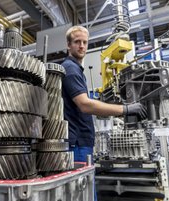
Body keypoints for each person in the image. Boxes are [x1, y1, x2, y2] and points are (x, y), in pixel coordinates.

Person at [61, 25, 147, 164]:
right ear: (68, 45)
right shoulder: (70, 68)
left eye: (85, 42)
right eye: (77, 42)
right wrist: (125, 109)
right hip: (76, 143)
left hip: (81, 142)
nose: (82, 46)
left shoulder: (76, 69)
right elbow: (84, 105)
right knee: (82, 185)